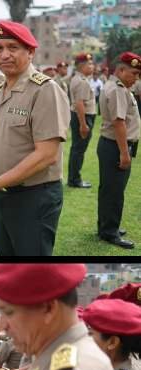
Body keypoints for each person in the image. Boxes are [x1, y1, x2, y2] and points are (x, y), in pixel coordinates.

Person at [0, 21, 69, 256]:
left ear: (30, 52)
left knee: (32, 273)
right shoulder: (2, 88)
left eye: (12, 47)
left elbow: (46, 155)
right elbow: (16, 136)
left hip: (33, 197)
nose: (4, 55)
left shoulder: (44, 90)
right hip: (4, 196)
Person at [97, 52, 141, 249]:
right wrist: (124, 153)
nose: (136, 77)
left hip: (111, 145)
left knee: (109, 189)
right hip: (116, 146)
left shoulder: (119, 87)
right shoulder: (117, 90)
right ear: (121, 70)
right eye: (134, 73)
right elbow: (119, 123)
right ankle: (109, 231)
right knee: (114, 191)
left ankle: (106, 225)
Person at [67, 53, 96, 188]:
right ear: (82, 66)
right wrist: (83, 125)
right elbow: (79, 103)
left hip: (79, 116)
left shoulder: (77, 79)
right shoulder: (82, 81)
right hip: (83, 117)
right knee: (79, 150)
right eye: (89, 64)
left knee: (76, 149)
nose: (92, 66)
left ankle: (73, 178)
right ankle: (75, 180)